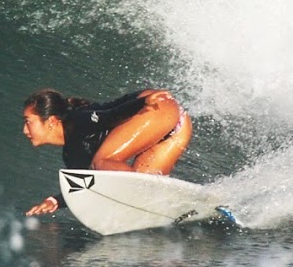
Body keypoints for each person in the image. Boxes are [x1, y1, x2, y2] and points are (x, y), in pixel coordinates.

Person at [21, 87, 192, 216]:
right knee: (147, 187)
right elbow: (88, 183)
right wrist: (55, 201)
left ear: (51, 121)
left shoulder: (77, 121)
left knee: (102, 163)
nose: (24, 130)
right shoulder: (71, 154)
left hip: (156, 106)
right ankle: (187, 205)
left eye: (28, 121)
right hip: (178, 127)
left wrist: (143, 102)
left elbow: (111, 116)